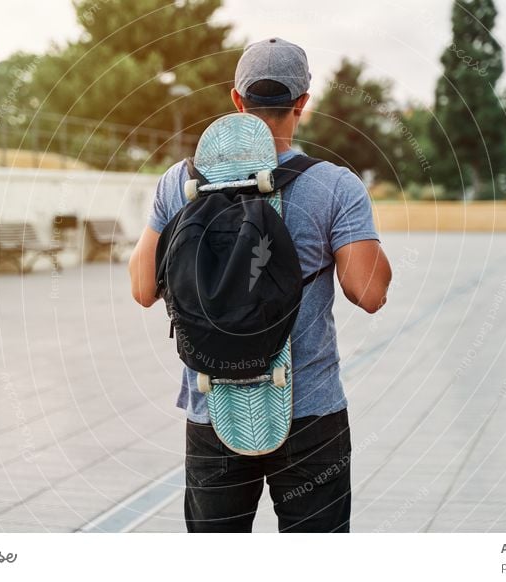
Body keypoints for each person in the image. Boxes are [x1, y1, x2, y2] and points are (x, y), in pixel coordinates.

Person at [129, 38, 391, 532]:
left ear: (236, 100)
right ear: (303, 103)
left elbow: (143, 288)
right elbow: (369, 293)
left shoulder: (179, 182)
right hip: (310, 410)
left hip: (213, 406)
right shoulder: (335, 185)